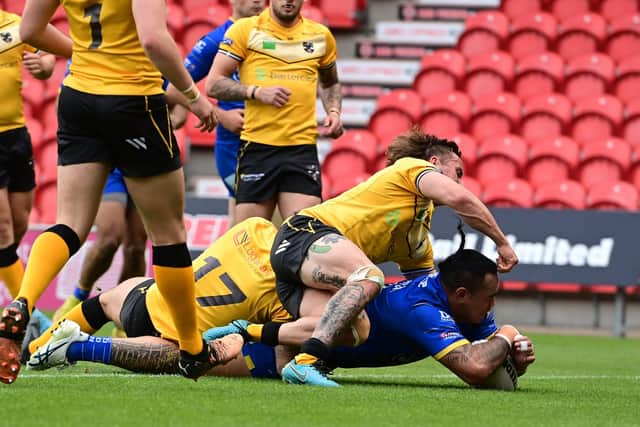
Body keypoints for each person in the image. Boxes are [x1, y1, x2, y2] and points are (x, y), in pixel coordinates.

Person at [0, 0, 220, 386]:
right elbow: (154, 39)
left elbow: (31, 29)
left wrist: (83, 52)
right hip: (134, 100)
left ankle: (23, 301)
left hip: (78, 98)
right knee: (168, 235)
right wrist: (193, 96)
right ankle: (191, 347)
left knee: (69, 224)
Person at [28, 227, 535, 390]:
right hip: (275, 344)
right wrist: (506, 334)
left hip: (148, 295)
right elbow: (475, 369)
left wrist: (510, 348)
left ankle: (54, 336)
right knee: (193, 358)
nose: (493, 307)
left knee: (124, 295)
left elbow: (494, 368)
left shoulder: (444, 292)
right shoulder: (423, 310)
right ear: (461, 295)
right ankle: (74, 348)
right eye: (490, 299)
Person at [267, 128, 520, 386]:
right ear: (434, 164)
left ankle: (283, 354)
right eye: (457, 173)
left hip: (303, 276)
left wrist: (494, 344)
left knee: (356, 326)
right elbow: (459, 199)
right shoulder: (411, 168)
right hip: (303, 233)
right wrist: (502, 242)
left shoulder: (416, 238)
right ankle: (307, 361)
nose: (459, 183)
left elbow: (428, 295)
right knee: (370, 277)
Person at [25, 217, 367, 371]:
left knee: (103, 301)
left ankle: (43, 337)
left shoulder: (256, 228)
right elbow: (282, 356)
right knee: (180, 357)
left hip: (143, 295)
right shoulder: (284, 298)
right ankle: (74, 347)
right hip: (171, 335)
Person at [205, 0, 344, 224]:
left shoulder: (320, 35)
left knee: (302, 234)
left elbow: (330, 83)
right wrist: (256, 92)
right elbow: (213, 84)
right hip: (258, 147)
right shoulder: (245, 29)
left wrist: (334, 112)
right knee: (249, 240)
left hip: (301, 149)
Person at [168, 0, 266, 226]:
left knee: (259, 223)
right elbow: (174, 88)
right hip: (234, 149)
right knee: (251, 221)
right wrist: (220, 116)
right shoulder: (216, 40)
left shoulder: (273, 38)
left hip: (273, 143)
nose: (258, 1)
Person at [0, 8, 60, 342]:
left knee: (19, 225)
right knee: (3, 228)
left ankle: (20, 302)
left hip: (16, 138)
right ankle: (30, 315)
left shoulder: (16, 24)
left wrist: (45, 66)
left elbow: (46, 54)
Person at [53, 168, 147, 332]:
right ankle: (78, 296)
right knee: (109, 240)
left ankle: (126, 314)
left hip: (142, 165)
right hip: (109, 167)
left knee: (136, 247)